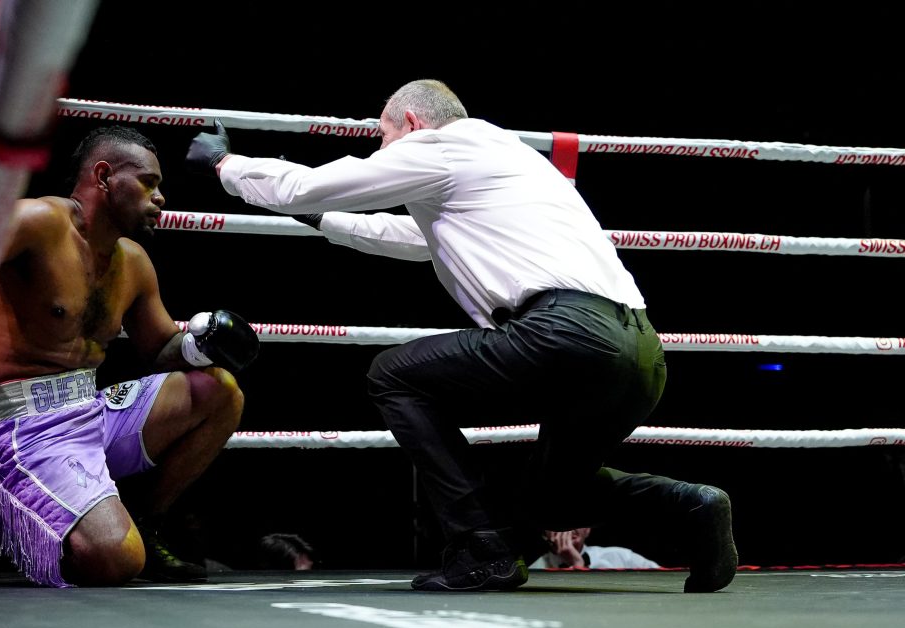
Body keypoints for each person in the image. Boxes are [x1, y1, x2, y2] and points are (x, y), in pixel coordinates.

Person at [186, 79, 737, 593]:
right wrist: (318, 216)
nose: (383, 151)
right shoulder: (507, 158)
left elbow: (310, 185)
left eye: (384, 136)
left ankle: (481, 547)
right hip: (640, 351)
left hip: (564, 334)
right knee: (553, 496)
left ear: (410, 122)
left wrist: (225, 164)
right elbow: (410, 237)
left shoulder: (440, 146)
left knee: (393, 375)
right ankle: (693, 505)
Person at [0, 126, 258, 587]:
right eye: (148, 183)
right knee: (116, 559)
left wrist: (200, 344)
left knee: (220, 391)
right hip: (17, 422)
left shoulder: (133, 261)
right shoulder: (37, 221)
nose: (160, 198)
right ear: (104, 177)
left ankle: (144, 523)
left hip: (88, 412)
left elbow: (159, 349)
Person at [528, 528, 660, 570]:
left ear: (588, 530)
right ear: (544, 532)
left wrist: (577, 563)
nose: (570, 527)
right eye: (560, 519)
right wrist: (576, 564)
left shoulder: (623, 558)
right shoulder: (530, 567)